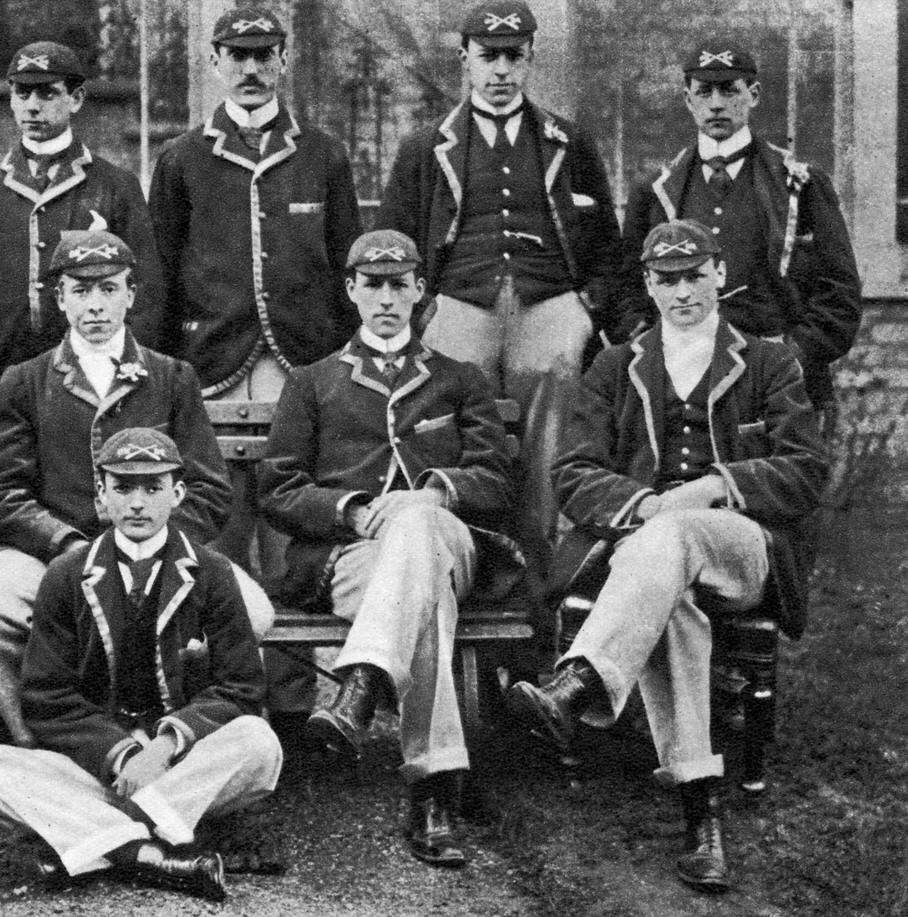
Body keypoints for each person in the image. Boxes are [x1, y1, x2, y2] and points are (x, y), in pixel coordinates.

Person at [507, 220, 829, 892]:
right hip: (649, 552)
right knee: (673, 603)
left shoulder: (769, 360)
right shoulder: (616, 364)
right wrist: (648, 506)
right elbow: (574, 472)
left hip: (741, 545)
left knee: (675, 537)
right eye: (666, 279)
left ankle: (580, 680)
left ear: (718, 274)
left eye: (694, 275)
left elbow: (804, 471)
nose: (682, 291)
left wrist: (715, 486)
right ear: (648, 286)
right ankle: (700, 815)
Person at [0, 229, 269, 751]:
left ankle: (178, 742)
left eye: (109, 290)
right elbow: (2, 493)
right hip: (51, 555)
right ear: (60, 298)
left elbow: (207, 488)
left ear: (131, 295)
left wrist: (152, 548)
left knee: (253, 612)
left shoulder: (171, 377)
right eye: (80, 291)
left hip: (159, 550)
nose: (95, 306)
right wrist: (71, 547)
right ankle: (47, 751)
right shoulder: (25, 380)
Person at [259, 230, 523, 868]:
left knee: (420, 536)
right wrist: (350, 510)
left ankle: (364, 681)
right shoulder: (313, 382)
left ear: (419, 292)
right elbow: (278, 487)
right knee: (421, 588)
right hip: (352, 560)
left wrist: (433, 493)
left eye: (398, 284)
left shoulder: (460, 380)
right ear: (350, 291)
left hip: (453, 542)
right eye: (371, 285)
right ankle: (434, 787)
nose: (385, 298)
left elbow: (497, 478)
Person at [148, 4, 363, 741]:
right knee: (218, 524)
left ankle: (296, 702)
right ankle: (230, 696)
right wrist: (162, 371)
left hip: (301, 363)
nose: (248, 67)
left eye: (261, 55)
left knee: (288, 523)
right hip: (211, 364)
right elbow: (160, 272)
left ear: (281, 61)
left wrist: (343, 362)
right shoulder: (181, 158)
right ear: (215, 61)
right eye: (235, 54)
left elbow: (349, 265)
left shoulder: (323, 154)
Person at [0, 428, 281, 902]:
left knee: (259, 744)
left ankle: (95, 840)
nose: (137, 503)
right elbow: (46, 699)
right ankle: (149, 856)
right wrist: (123, 754)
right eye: (123, 487)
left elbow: (240, 686)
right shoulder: (66, 575)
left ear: (177, 494)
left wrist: (164, 747)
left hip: (179, 765)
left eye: (153, 488)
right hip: (97, 770)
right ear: (101, 497)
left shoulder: (211, 571)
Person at [377, 0, 622, 585]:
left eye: (514, 57)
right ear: (465, 60)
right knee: (452, 408)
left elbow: (609, 252)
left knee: (556, 388)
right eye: (488, 58)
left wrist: (586, 310)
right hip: (460, 301)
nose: (501, 71)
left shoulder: (570, 143)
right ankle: (464, 552)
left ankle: (548, 568)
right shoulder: (426, 146)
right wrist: (425, 309)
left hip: (549, 300)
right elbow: (392, 239)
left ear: (531, 59)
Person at [0, 39, 164, 432]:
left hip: (96, 383)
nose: (33, 105)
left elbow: (147, 295)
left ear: (76, 99)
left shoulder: (115, 186)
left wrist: (124, 376)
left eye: (48, 93)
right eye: (23, 93)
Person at [619, 41, 861, 411]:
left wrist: (792, 354)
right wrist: (655, 348)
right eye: (704, 92)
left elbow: (840, 293)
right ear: (688, 99)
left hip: (777, 372)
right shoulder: (654, 190)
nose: (716, 103)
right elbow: (627, 288)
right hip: (678, 374)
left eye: (729, 90)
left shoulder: (801, 184)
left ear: (754, 94)